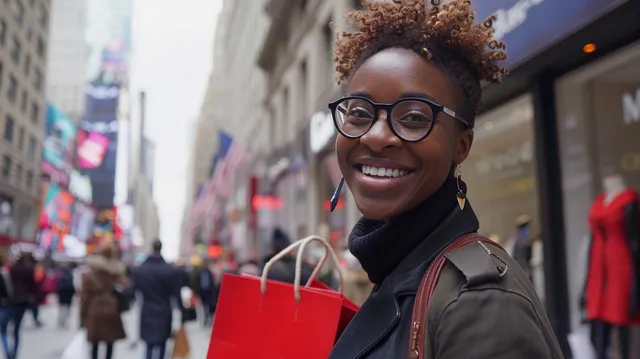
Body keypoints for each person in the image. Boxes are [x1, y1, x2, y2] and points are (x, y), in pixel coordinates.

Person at [326, 1, 563, 358]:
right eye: (359, 112)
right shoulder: (398, 270)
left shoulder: (480, 304)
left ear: (461, 145)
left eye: (414, 117)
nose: (375, 136)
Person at [134, 239, 184, 359]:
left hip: (147, 310)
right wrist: (183, 313)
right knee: (162, 344)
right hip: (164, 311)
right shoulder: (169, 270)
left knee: (149, 345)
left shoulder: (142, 269)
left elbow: (134, 290)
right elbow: (176, 293)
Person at [80, 244, 127, 359]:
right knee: (110, 342)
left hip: (94, 310)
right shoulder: (115, 273)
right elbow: (126, 287)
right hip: (111, 309)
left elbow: (85, 298)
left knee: (95, 342)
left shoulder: (89, 275)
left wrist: (82, 316)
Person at [6, 252, 37, 359]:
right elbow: (33, 285)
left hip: (12, 300)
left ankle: (9, 349)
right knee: (17, 328)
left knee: (8, 326)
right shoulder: (28, 270)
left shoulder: (12, 269)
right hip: (23, 300)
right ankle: (14, 351)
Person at [56, 262, 76, 328]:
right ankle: (65, 320)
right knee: (67, 307)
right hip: (68, 293)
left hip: (62, 293)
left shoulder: (59, 275)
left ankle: (61, 320)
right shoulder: (71, 275)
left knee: (61, 307)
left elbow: (58, 285)